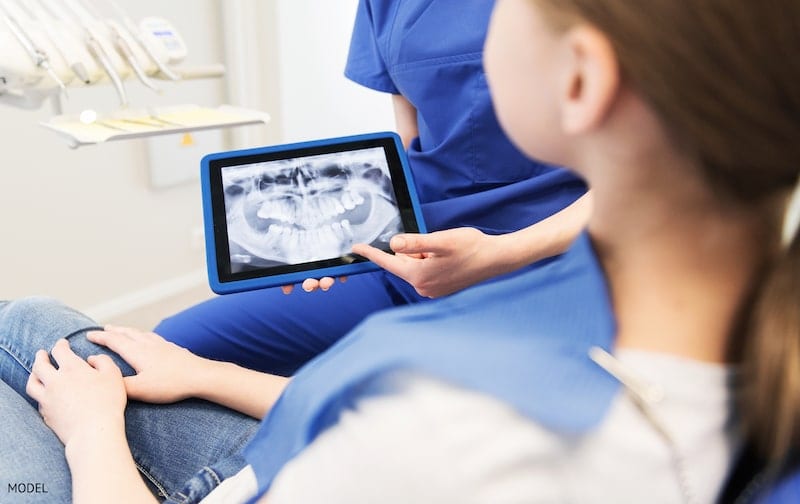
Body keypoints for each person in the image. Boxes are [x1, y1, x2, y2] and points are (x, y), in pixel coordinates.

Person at [1, 0, 798, 502]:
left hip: (262, 473)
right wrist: (210, 376)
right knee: (106, 345)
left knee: (28, 339)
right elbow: (381, 414)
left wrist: (90, 434)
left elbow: (407, 438)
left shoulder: (442, 426)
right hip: (374, 337)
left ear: (582, 79)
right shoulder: (734, 341)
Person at [152, 0, 591, 377]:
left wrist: (504, 253)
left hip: (556, 263)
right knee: (165, 349)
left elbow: (655, 181)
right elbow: (409, 141)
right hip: (416, 255)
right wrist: (331, 237)